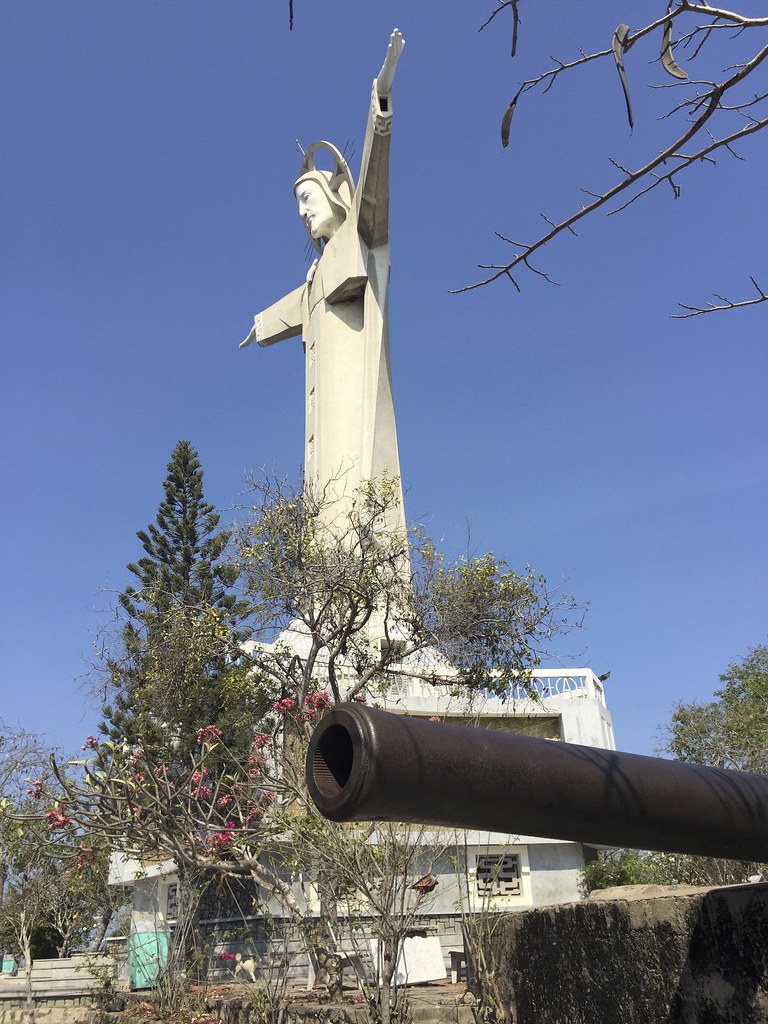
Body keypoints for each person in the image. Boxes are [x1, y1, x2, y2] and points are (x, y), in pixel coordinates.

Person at [241, 30, 406, 530]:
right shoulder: (313, 279)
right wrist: (259, 327)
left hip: (354, 401)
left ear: (333, 199)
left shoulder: (359, 238)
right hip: (321, 420)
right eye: (299, 211)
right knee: (323, 505)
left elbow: (374, 183)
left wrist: (380, 110)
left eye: (308, 203)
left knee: (357, 492)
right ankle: (323, 598)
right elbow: (289, 308)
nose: (305, 216)